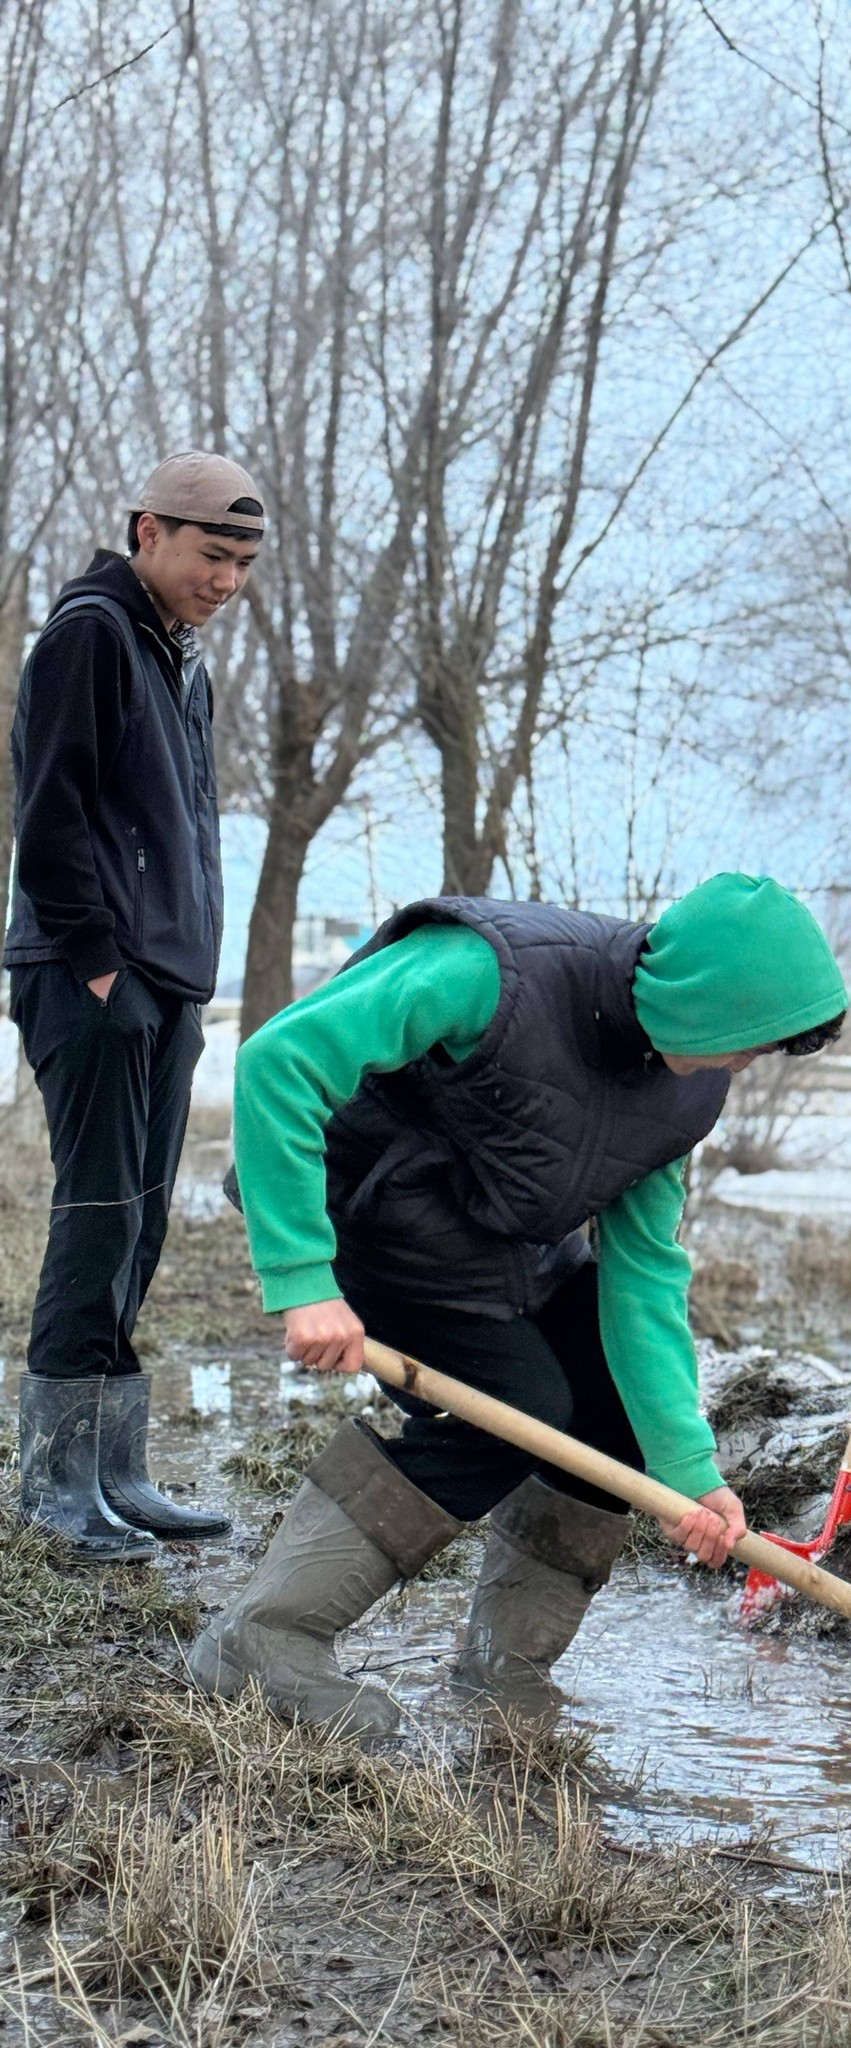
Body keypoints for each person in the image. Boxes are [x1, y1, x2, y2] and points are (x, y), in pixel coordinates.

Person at [188, 874, 848, 1735]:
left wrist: (690, 1473)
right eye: (749, 1044)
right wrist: (303, 1277)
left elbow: (643, 1273)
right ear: (703, 1002)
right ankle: (259, 1641)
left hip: (505, 1247)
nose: (744, 1066)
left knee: (610, 1405)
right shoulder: (490, 972)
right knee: (511, 1411)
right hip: (370, 1229)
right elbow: (280, 1060)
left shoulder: (687, 1089)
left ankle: (504, 1665)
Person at [6, 454, 264, 1561]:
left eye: (244, 563)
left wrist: (182, 974)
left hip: (164, 981)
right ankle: (55, 1486)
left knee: (146, 1217)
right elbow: (48, 804)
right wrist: (102, 960)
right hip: (90, 973)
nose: (227, 581)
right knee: (97, 1211)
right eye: (212, 555)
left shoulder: (181, 662)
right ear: (148, 531)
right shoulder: (92, 635)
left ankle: (117, 1469)